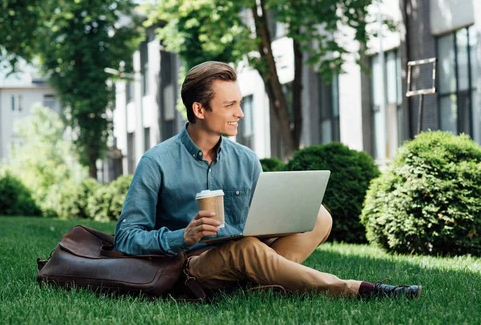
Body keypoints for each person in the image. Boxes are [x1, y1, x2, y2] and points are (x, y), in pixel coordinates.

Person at [114, 61, 422, 299]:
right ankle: (357, 289)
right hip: (191, 266)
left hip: (246, 250)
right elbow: (126, 237)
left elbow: (259, 220)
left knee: (318, 216)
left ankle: (262, 286)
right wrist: (183, 236)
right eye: (229, 105)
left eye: (240, 102)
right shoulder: (157, 161)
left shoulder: (245, 159)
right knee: (247, 248)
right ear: (199, 109)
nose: (240, 113)